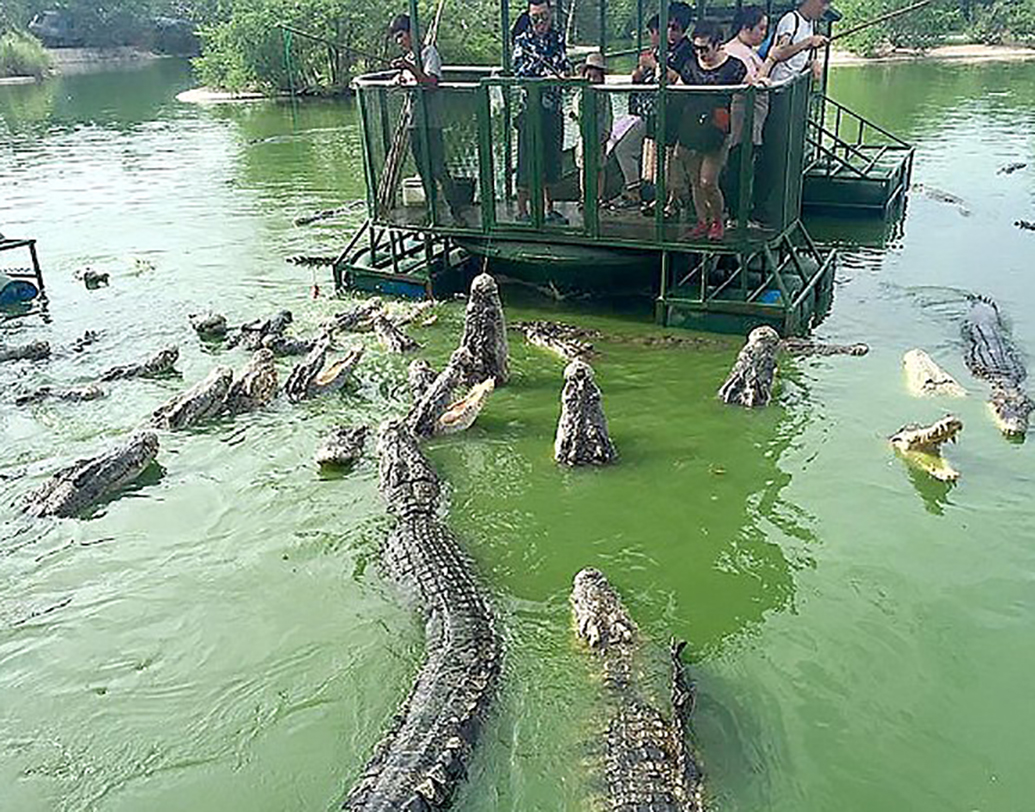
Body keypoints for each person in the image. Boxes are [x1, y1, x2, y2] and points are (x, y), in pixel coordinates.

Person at [388, 14, 466, 226]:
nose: (399, 41)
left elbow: (431, 82)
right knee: (423, 169)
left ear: (412, 32)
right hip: (414, 122)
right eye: (396, 38)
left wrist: (409, 68)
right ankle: (433, 211)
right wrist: (401, 76)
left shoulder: (428, 53)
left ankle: (456, 210)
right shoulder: (411, 58)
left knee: (439, 168)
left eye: (401, 35)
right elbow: (406, 81)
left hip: (431, 122)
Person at [677, 19, 748, 240]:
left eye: (705, 48)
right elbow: (679, 86)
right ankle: (702, 221)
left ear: (718, 45)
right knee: (694, 179)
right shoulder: (690, 66)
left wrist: (760, 81)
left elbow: (750, 83)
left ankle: (718, 221)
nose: (700, 53)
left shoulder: (734, 66)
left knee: (708, 180)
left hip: (717, 126)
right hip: (692, 123)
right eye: (696, 48)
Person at [512, 0, 572, 224]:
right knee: (527, 159)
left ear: (551, 15)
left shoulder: (557, 37)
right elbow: (520, 72)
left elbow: (563, 65)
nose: (540, 22)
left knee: (551, 159)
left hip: (553, 108)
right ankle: (522, 211)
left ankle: (549, 210)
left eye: (544, 17)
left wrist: (561, 74)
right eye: (535, 17)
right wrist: (544, 74)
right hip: (531, 109)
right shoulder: (523, 40)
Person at [723, 5, 771, 220]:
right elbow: (753, 83)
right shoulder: (735, 52)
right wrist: (771, 60)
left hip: (751, 121)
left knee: (742, 166)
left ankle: (739, 213)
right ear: (745, 27)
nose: (763, 33)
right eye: (760, 28)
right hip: (740, 121)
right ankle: (735, 215)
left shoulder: (747, 50)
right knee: (737, 168)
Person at [573, 52, 613, 208]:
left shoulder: (604, 95)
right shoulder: (580, 95)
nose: (591, 79)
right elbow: (576, 112)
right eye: (589, 76)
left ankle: (599, 196)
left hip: (600, 136)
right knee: (584, 167)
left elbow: (609, 115)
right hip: (584, 137)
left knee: (599, 166)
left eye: (596, 76)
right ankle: (584, 196)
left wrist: (607, 133)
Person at [768, 0, 830, 84]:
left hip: (796, 86)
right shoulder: (790, 20)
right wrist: (808, 41)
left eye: (828, 3)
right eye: (823, 2)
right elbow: (778, 54)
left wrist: (812, 63)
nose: (826, 7)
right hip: (779, 86)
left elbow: (798, 59)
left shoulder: (812, 24)